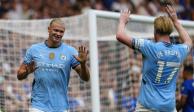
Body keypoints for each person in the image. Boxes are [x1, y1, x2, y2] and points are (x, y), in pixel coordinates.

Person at [116, 4, 192, 112]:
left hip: (147, 107)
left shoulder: (150, 47)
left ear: (155, 31)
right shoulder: (180, 51)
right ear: (170, 32)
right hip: (169, 108)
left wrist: (122, 21)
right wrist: (175, 21)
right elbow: (189, 41)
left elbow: (119, 35)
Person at [17, 18, 90, 112]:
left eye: (61, 32)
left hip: (61, 107)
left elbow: (86, 78)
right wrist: (26, 72)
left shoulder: (70, 52)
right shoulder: (34, 49)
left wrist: (83, 64)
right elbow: (19, 76)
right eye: (55, 30)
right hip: (38, 105)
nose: (58, 34)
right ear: (49, 29)